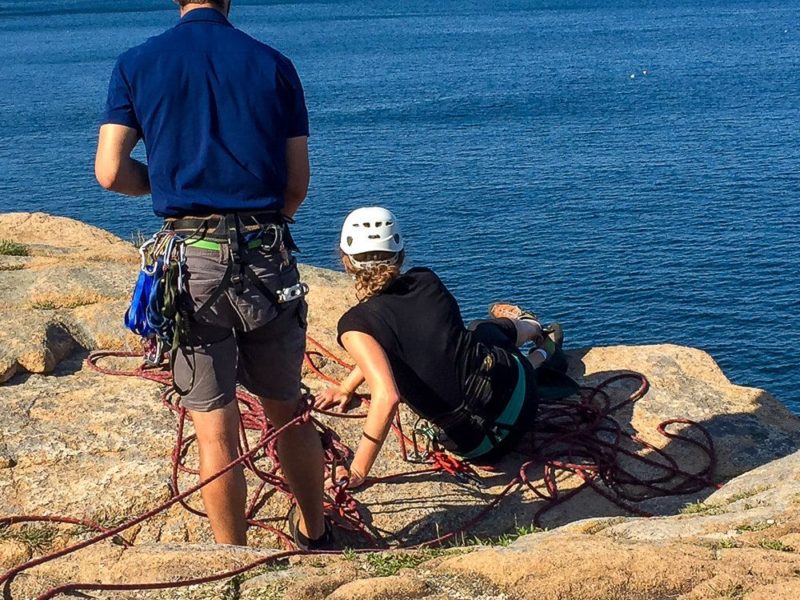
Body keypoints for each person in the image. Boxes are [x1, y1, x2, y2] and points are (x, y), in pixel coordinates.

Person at [95, 0, 331, 550]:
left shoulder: (136, 63)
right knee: (285, 408)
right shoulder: (273, 63)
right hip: (267, 256)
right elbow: (296, 184)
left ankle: (232, 558)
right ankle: (316, 535)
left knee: (214, 421)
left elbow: (110, 172)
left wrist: (176, 183)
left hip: (190, 261)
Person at [315, 207, 563, 487]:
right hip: (524, 398)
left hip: (480, 448)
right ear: (401, 255)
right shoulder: (427, 281)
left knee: (479, 335)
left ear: (346, 262)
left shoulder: (355, 325)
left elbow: (386, 395)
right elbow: (397, 354)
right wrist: (347, 386)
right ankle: (532, 328)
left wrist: (358, 471)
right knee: (482, 330)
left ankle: (538, 355)